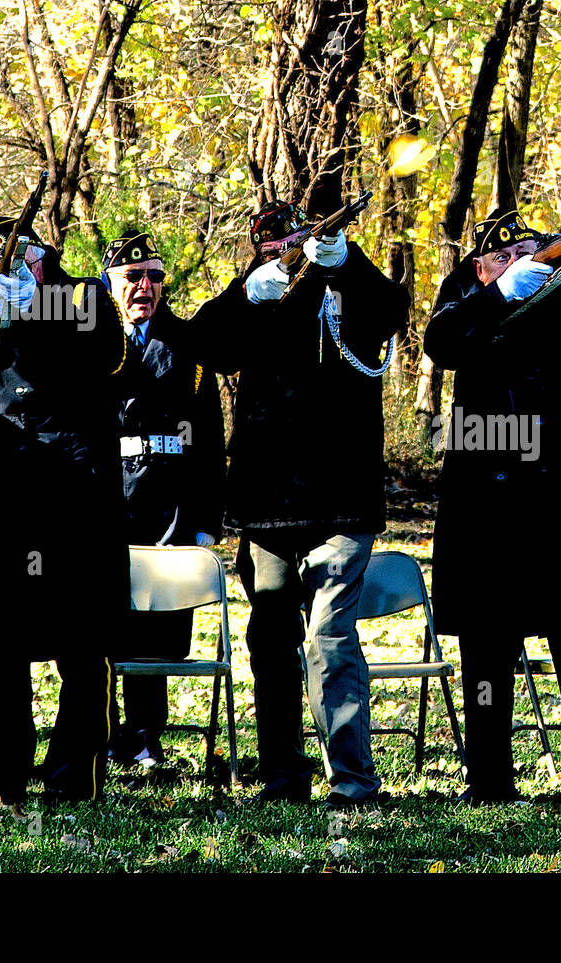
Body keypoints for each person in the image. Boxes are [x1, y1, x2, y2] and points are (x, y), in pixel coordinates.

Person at [423, 209, 561, 807]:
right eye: (505, 255)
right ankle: (490, 782)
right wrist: (496, 294)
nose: (522, 261)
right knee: (487, 644)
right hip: (488, 504)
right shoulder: (467, 295)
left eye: (530, 250)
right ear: (481, 266)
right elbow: (441, 341)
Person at [188, 199, 407, 807]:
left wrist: (345, 265)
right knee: (270, 642)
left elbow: (392, 312)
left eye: (286, 244)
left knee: (331, 639)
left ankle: (354, 781)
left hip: (341, 501)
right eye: (265, 248)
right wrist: (244, 293)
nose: (277, 254)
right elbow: (201, 343)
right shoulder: (254, 298)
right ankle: (282, 776)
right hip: (267, 507)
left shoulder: (344, 285)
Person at [0, 215, 128, 804]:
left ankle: (76, 771)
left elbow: (105, 349)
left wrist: (40, 302)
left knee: (81, 643)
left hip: (73, 501)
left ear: (44, 257)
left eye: (21, 258)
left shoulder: (81, 296)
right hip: (0, 501)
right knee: (0, 640)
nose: (9, 269)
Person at [102, 229, 225, 768]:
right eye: (132, 277)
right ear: (111, 284)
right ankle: (102, 738)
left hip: (171, 502)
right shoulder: (95, 339)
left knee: (158, 630)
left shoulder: (189, 341)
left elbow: (210, 439)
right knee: (104, 626)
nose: (144, 286)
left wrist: (206, 521)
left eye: (154, 275)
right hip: (108, 500)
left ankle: (148, 738)